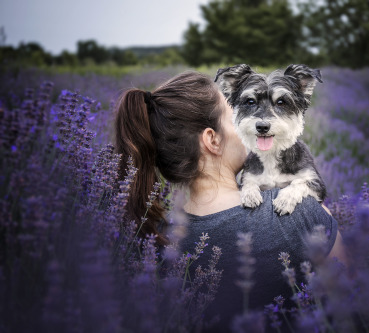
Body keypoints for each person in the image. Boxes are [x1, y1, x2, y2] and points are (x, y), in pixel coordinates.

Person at [114, 71, 349, 331]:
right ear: (212, 140)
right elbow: (355, 308)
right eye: (236, 114)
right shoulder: (302, 215)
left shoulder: (155, 243)